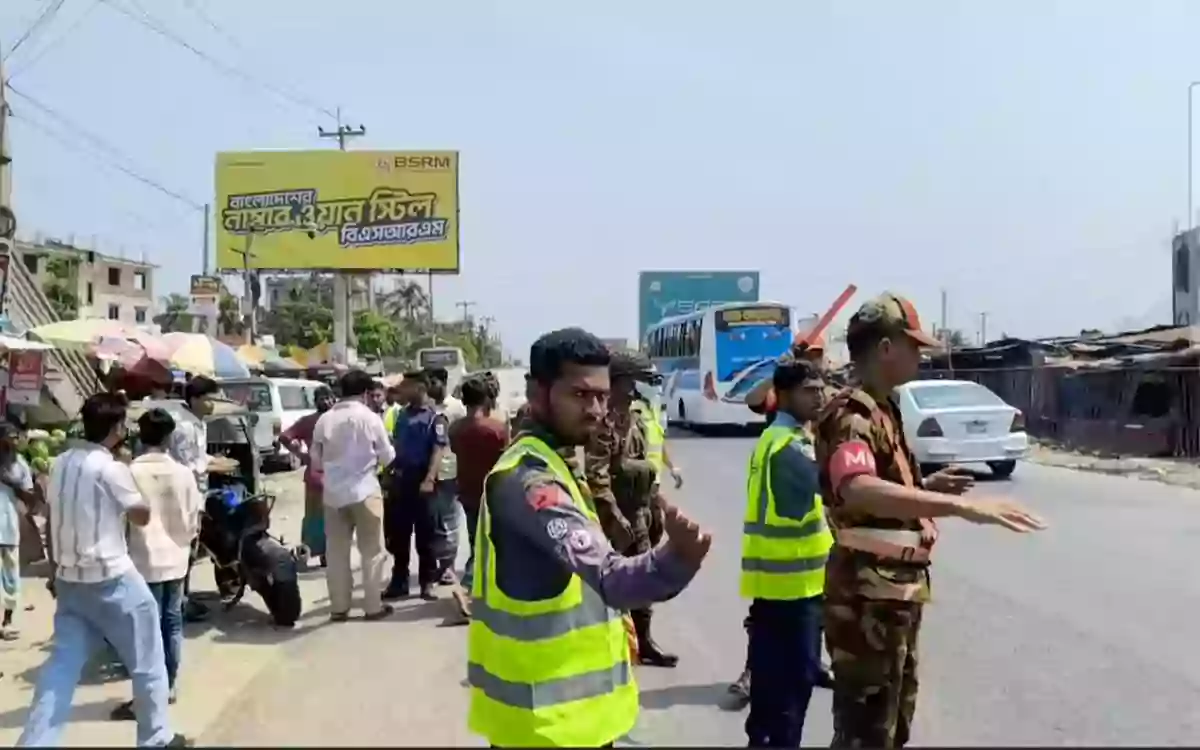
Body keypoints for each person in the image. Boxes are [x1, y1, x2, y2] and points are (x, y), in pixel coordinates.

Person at [815, 293, 1047, 748]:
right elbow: (857, 487)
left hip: (892, 590)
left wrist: (930, 487)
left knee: (892, 724)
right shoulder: (851, 414)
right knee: (865, 733)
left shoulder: (887, 408)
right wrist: (963, 508)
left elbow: (879, 485)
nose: (921, 357)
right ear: (885, 348)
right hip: (865, 596)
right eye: (914, 346)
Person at [467, 328, 712, 748]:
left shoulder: (556, 461)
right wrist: (677, 558)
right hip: (549, 729)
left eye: (601, 395)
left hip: (571, 721)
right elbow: (615, 581)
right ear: (536, 391)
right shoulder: (529, 480)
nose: (597, 409)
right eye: (580, 395)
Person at [20, 394, 187, 747]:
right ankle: (156, 737)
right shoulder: (111, 468)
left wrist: (53, 569)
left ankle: (36, 742)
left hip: (69, 580)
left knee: (61, 668)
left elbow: (52, 518)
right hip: (112, 578)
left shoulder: (61, 462)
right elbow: (141, 516)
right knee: (147, 657)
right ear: (115, 428)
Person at [730, 339, 837, 705]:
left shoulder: (819, 399)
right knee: (777, 648)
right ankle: (755, 672)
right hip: (786, 564)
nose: (818, 396)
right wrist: (781, 366)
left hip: (804, 556)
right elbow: (755, 399)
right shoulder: (784, 418)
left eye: (821, 356)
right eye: (812, 354)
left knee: (806, 626)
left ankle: (808, 665)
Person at [111, 408, 204, 720]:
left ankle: (147, 695)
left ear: (141, 436)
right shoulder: (183, 473)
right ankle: (169, 686)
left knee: (144, 629)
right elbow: (194, 519)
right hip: (176, 560)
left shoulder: (129, 472)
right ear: (168, 437)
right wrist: (187, 546)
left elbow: (120, 520)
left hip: (139, 560)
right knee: (172, 622)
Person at [588, 349, 678, 667]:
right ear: (620, 383)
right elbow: (597, 474)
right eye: (633, 383)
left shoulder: (635, 420)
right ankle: (610, 644)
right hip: (615, 514)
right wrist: (612, 515)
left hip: (638, 509)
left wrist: (655, 506)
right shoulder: (604, 423)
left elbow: (647, 464)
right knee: (610, 580)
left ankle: (642, 642)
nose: (637, 390)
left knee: (642, 578)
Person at [311, 370, 395, 622]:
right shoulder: (370, 418)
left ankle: (339, 607)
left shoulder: (325, 420)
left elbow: (315, 461)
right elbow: (387, 456)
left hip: (333, 494)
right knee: (372, 551)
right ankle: (372, 607)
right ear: (366, 393)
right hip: (365, 490)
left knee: (336, 552)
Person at [446, 373, 508, 623]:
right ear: (487, 400)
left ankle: (477, 589)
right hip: (493, 494)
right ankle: (468, 587)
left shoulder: (456, 429)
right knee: (488, 545)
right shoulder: (497, 429)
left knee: (476, 540)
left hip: (467, 492)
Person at [384, 371, 446, 601]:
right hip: (402, 479)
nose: (403, 390)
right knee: (399, 535)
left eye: (407, 386)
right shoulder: (402, 415)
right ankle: (399, 581)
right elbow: (397, 445)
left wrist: (429, 478)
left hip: (423, 480)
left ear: (420, 387)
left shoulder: (435, 417)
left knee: (425, 535)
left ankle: (427, 582)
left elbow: (438, 450)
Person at [167, 375, 219, 624]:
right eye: (209, 400)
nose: (213, 404)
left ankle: (183, 598)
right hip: (184, 494)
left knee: (191, 550)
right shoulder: (184, 426)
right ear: (195, 399)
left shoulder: (199, 423)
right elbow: (187, 464)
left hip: (198, 494)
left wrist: (211, 461)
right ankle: (179, 602)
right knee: (184, 550)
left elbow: (199, 456)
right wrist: (213, 466)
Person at [281, 385, 336, 568]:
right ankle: (325, 552)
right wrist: (301, 455)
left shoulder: (309, 421)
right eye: (323, 398)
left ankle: (312, 551)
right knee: (330, 517)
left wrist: (301, 455)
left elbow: (285, 437)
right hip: (329, 477)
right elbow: (284, 437)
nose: (325, 402)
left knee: (314, 517)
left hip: (318, 476)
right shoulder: (338, 420)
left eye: (327, 398)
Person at [427, 367, 467, 584]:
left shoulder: (456, 408)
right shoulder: (428, 407)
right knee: (433, 523)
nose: (429, 387)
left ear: (442, 382)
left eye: (432, 382)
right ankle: (437, 564)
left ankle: (448, 567)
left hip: (449, 471)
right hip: (428, 472)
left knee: (449, 522)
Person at [0, 422, 38, 640]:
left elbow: (31, 498)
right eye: (8, 436)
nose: (13, 440)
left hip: (9, 528)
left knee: (11, 578)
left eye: (15, 437)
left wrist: (12, 483)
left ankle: (8, 621)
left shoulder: (20, 464)